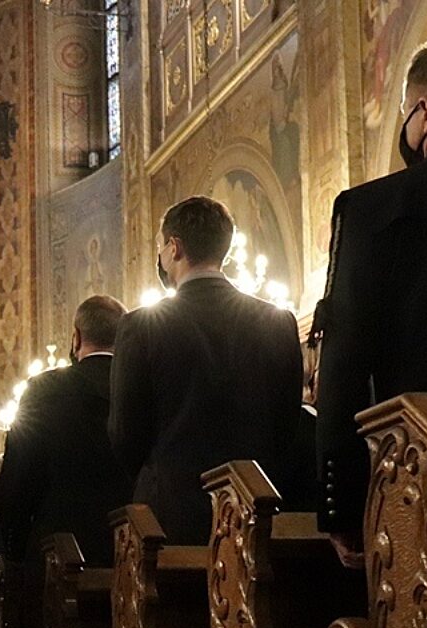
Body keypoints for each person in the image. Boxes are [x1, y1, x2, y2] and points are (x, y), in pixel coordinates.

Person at [316, 39, 427, 567]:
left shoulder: (374, 209)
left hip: (422, 484)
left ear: (426, 113)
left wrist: (343, 507)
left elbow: (344, 368)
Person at [109, 197, 302, 544]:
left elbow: (126, 433)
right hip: (254, 509)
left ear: (174, 247)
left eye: (161, 247)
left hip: (170, 514)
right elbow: (287, 424)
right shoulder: (278, 322)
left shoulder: (141, 327)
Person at [0, 295, 134, 569]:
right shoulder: (138, 386)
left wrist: (15, 548)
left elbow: (17, 478)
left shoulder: (43, 389)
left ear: (76, 337)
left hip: (58, 548)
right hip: (131, 547)